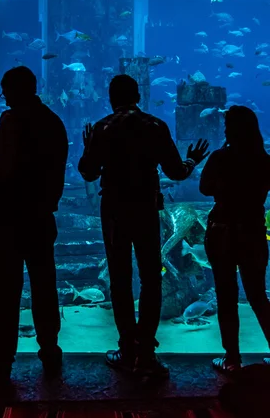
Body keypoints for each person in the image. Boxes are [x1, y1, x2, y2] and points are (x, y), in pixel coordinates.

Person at [78, 75, 209, 377]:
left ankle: (126, 348)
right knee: (151, 278)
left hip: (114, 211)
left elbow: (87, 172)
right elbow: (176, 172)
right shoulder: (154, 126)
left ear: (111, 98)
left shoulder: (103, 128)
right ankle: (146, 351)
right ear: (138, 95)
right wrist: (191, 161)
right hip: (146, 210)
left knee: (120, 278)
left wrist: (89, 148)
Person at [0, 66, 68, 382]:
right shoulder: (53, 121)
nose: (4, 97)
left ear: (14, 90)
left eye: (5, 90)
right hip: (41, 217)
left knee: (8, 290)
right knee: (44, 287)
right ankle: (50, 351)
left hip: (10, 219)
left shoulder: (11, 121)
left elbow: (4, 169)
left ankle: (2, 359)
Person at [200, 105, 270, 373]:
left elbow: (204, 187)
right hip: (252, 232)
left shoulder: (220, 157)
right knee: (257, 295)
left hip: (223, 231)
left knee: (226, 295)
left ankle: (232, 360)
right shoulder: (265, 160)